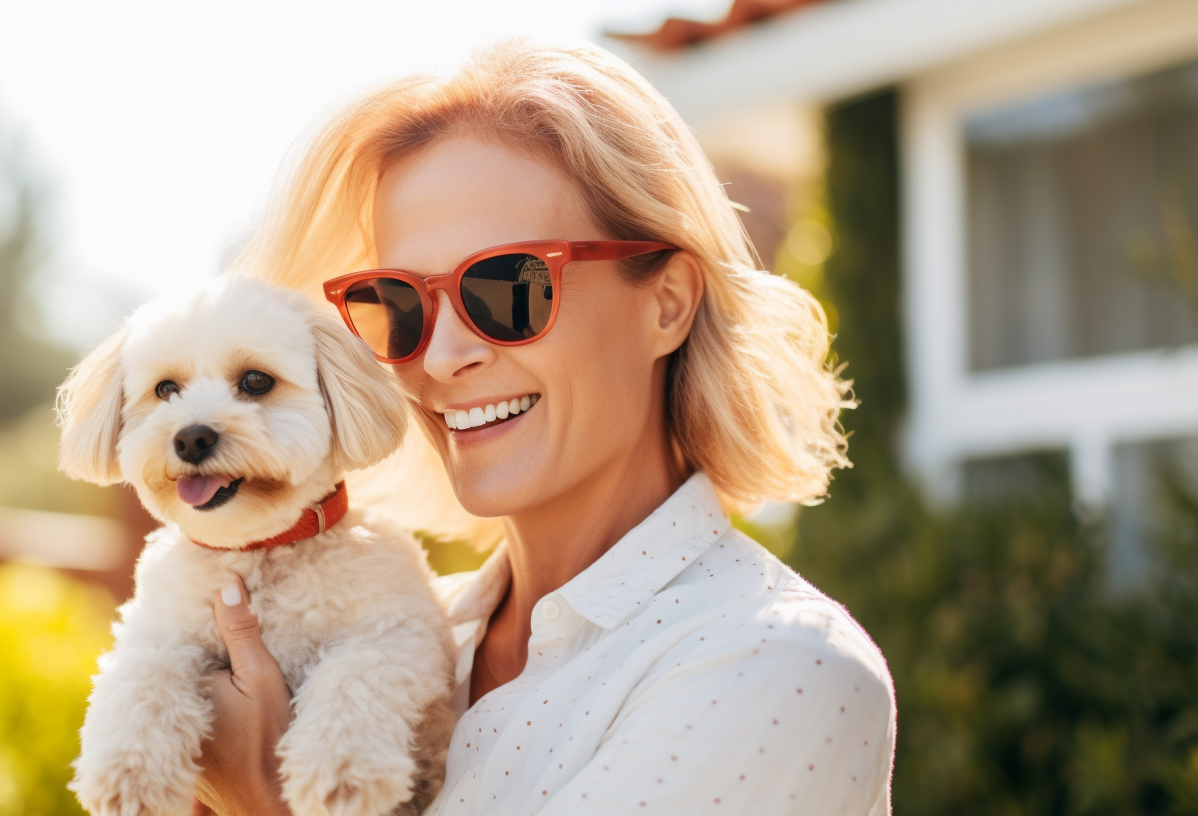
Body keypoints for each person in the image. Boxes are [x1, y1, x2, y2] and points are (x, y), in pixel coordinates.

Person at [193, 39, 896, 815]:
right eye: (401, 303)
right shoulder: (406, 635)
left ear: (667, 303)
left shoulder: (779, 668)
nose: (443, 354)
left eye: (508, 287)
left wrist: (263, 797)